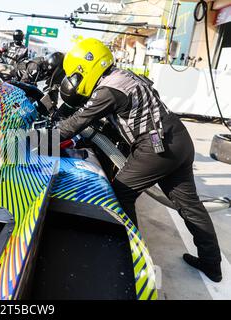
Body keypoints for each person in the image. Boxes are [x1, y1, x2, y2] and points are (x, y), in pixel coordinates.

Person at [56, 38, 222, 282]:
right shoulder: (122, 76)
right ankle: (212, 265)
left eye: (76, 75)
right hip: (178, 138)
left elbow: (75, 124)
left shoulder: (107, 91)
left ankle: (132, 261)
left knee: (120, 194)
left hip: (156, 146)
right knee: (190, 206)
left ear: (86, 67)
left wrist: (32, 141)